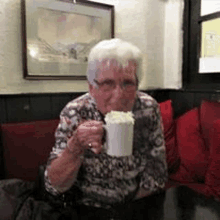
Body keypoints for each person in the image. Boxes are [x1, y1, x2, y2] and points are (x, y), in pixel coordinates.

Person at [44, 38, 168, 220]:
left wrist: (130, 210)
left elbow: (156, 171)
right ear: (91, 87)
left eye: (128, 83)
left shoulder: (148, 108)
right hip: (86, 208)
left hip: (136, 203)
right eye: (107, 84)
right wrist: (76, 145)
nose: (119, 96)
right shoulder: (75, 111)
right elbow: (54, 185)